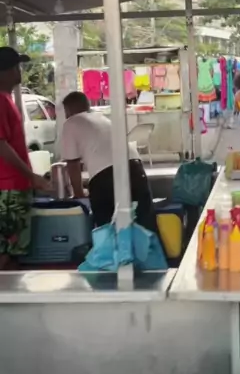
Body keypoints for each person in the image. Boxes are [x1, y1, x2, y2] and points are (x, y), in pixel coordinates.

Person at [61, 91, 158, 234]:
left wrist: (78, 193)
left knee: (108, 231)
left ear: (68, 110)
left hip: (105, 177)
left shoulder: (71, 122)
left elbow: (72, 163)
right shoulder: (101, 118)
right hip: (135, 167)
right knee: (145, 224)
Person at [0, 47, 50, 270]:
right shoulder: (0, 101)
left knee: (14, 252)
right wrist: (31, 176)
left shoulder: (7, 99)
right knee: (7, 250)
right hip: (8, 188)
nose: (18, 71)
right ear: (5, 72)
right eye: (15, 67)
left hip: (14, 186)